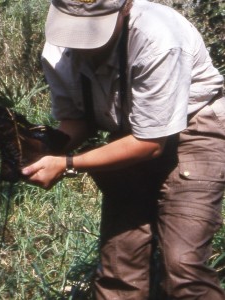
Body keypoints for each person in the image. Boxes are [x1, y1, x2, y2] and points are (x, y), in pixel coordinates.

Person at [21, 0, 225, 299]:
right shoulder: (58, 49)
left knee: (183, 266)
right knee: (120, 261)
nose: (81, 42)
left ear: (125, 7)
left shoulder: (158, 37)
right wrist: (38, 150)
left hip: (194, 131)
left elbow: (149, 143)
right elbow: (78, 121)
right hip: (126, 136)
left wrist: (66, 163)